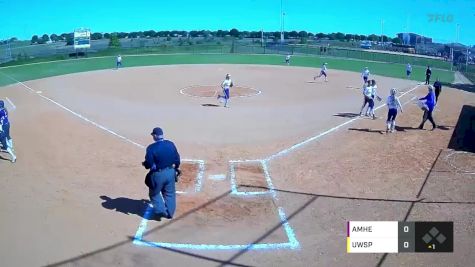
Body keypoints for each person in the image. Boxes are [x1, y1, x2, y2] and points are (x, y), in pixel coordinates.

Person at [142, 127, 181, 220]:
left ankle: (160, 211)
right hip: (171, 172)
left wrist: (145, 164)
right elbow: (177, 159)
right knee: (170, 193)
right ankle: (170, 213)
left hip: (158, 175)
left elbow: (149, 164)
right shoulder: (171, 144)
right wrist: (176, 168)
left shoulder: (151, 148)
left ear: (155, 136)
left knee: (154, 193)